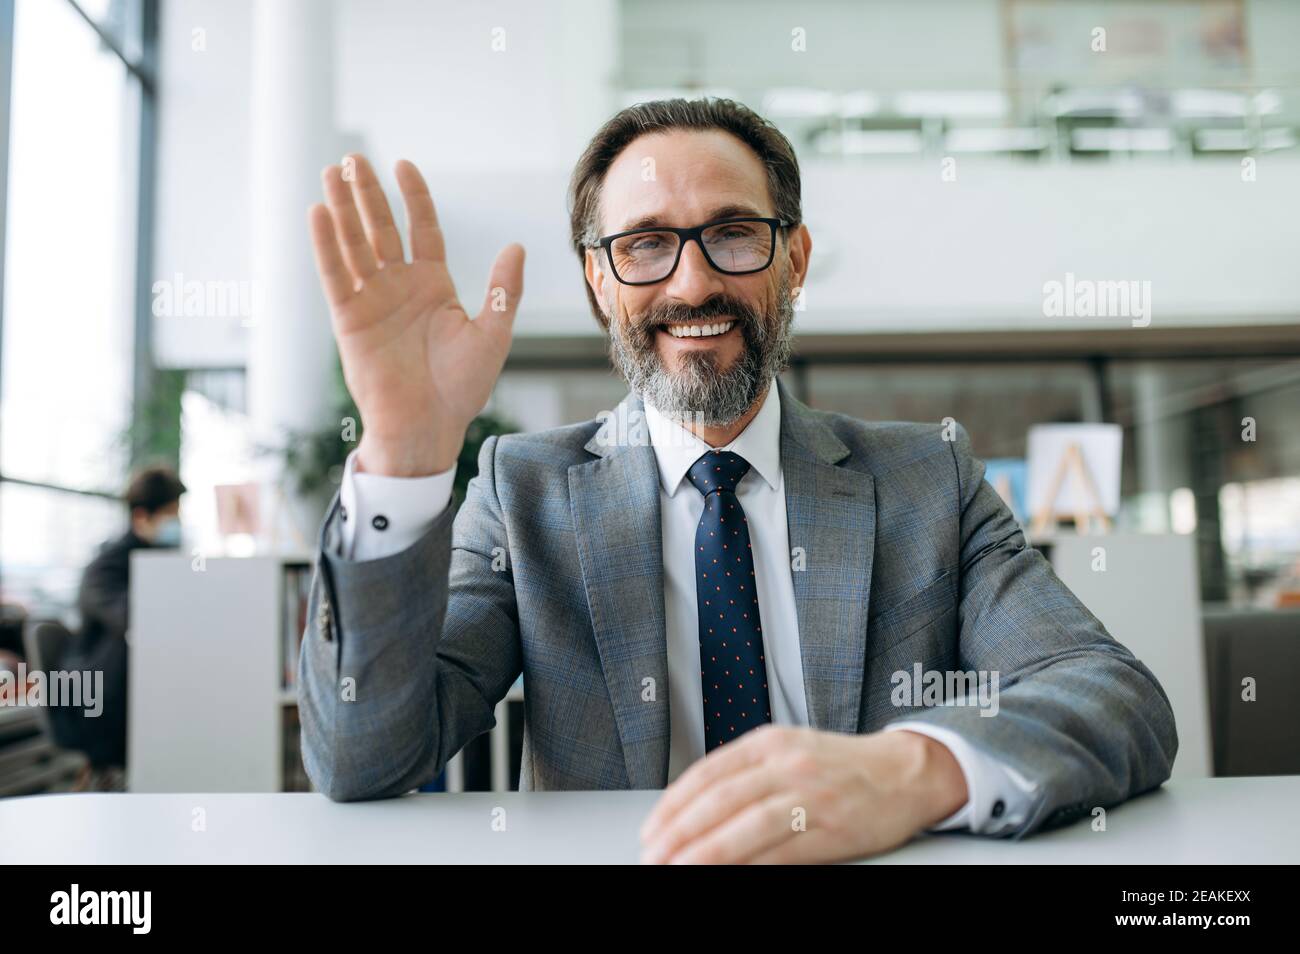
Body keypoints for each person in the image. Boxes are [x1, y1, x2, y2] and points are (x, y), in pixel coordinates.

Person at [298, 98, 1177, 864]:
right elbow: (363, 758)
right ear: (601, 282)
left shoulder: (927, 482)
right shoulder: (522, 490)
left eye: (732, 235)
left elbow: (1110, 694)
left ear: (792, 261)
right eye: (645, 245)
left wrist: (909, 772)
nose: (693, 282)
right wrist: (404, 456)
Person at [58, 466, 186, 783]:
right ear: (142, 516)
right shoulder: (106, 567)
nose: (177, 523)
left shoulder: (160, 556)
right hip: (94, 696)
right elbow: (138, 623)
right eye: (171, 513)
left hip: (129, 692)